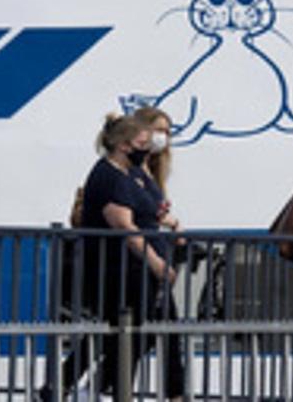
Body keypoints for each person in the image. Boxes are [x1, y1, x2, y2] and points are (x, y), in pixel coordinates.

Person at [83, 114, 183, 399]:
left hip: (140, 270)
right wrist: (157, 263)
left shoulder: (132, 175)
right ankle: (97, 387)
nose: (148, 147)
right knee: (127, 333)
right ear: (125, 146)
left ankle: (103, 387)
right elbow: (125, 227)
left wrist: (168, 224)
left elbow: (148, 210)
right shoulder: (111, 177)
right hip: (123, 269)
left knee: (145, 332)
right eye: (143, 142)